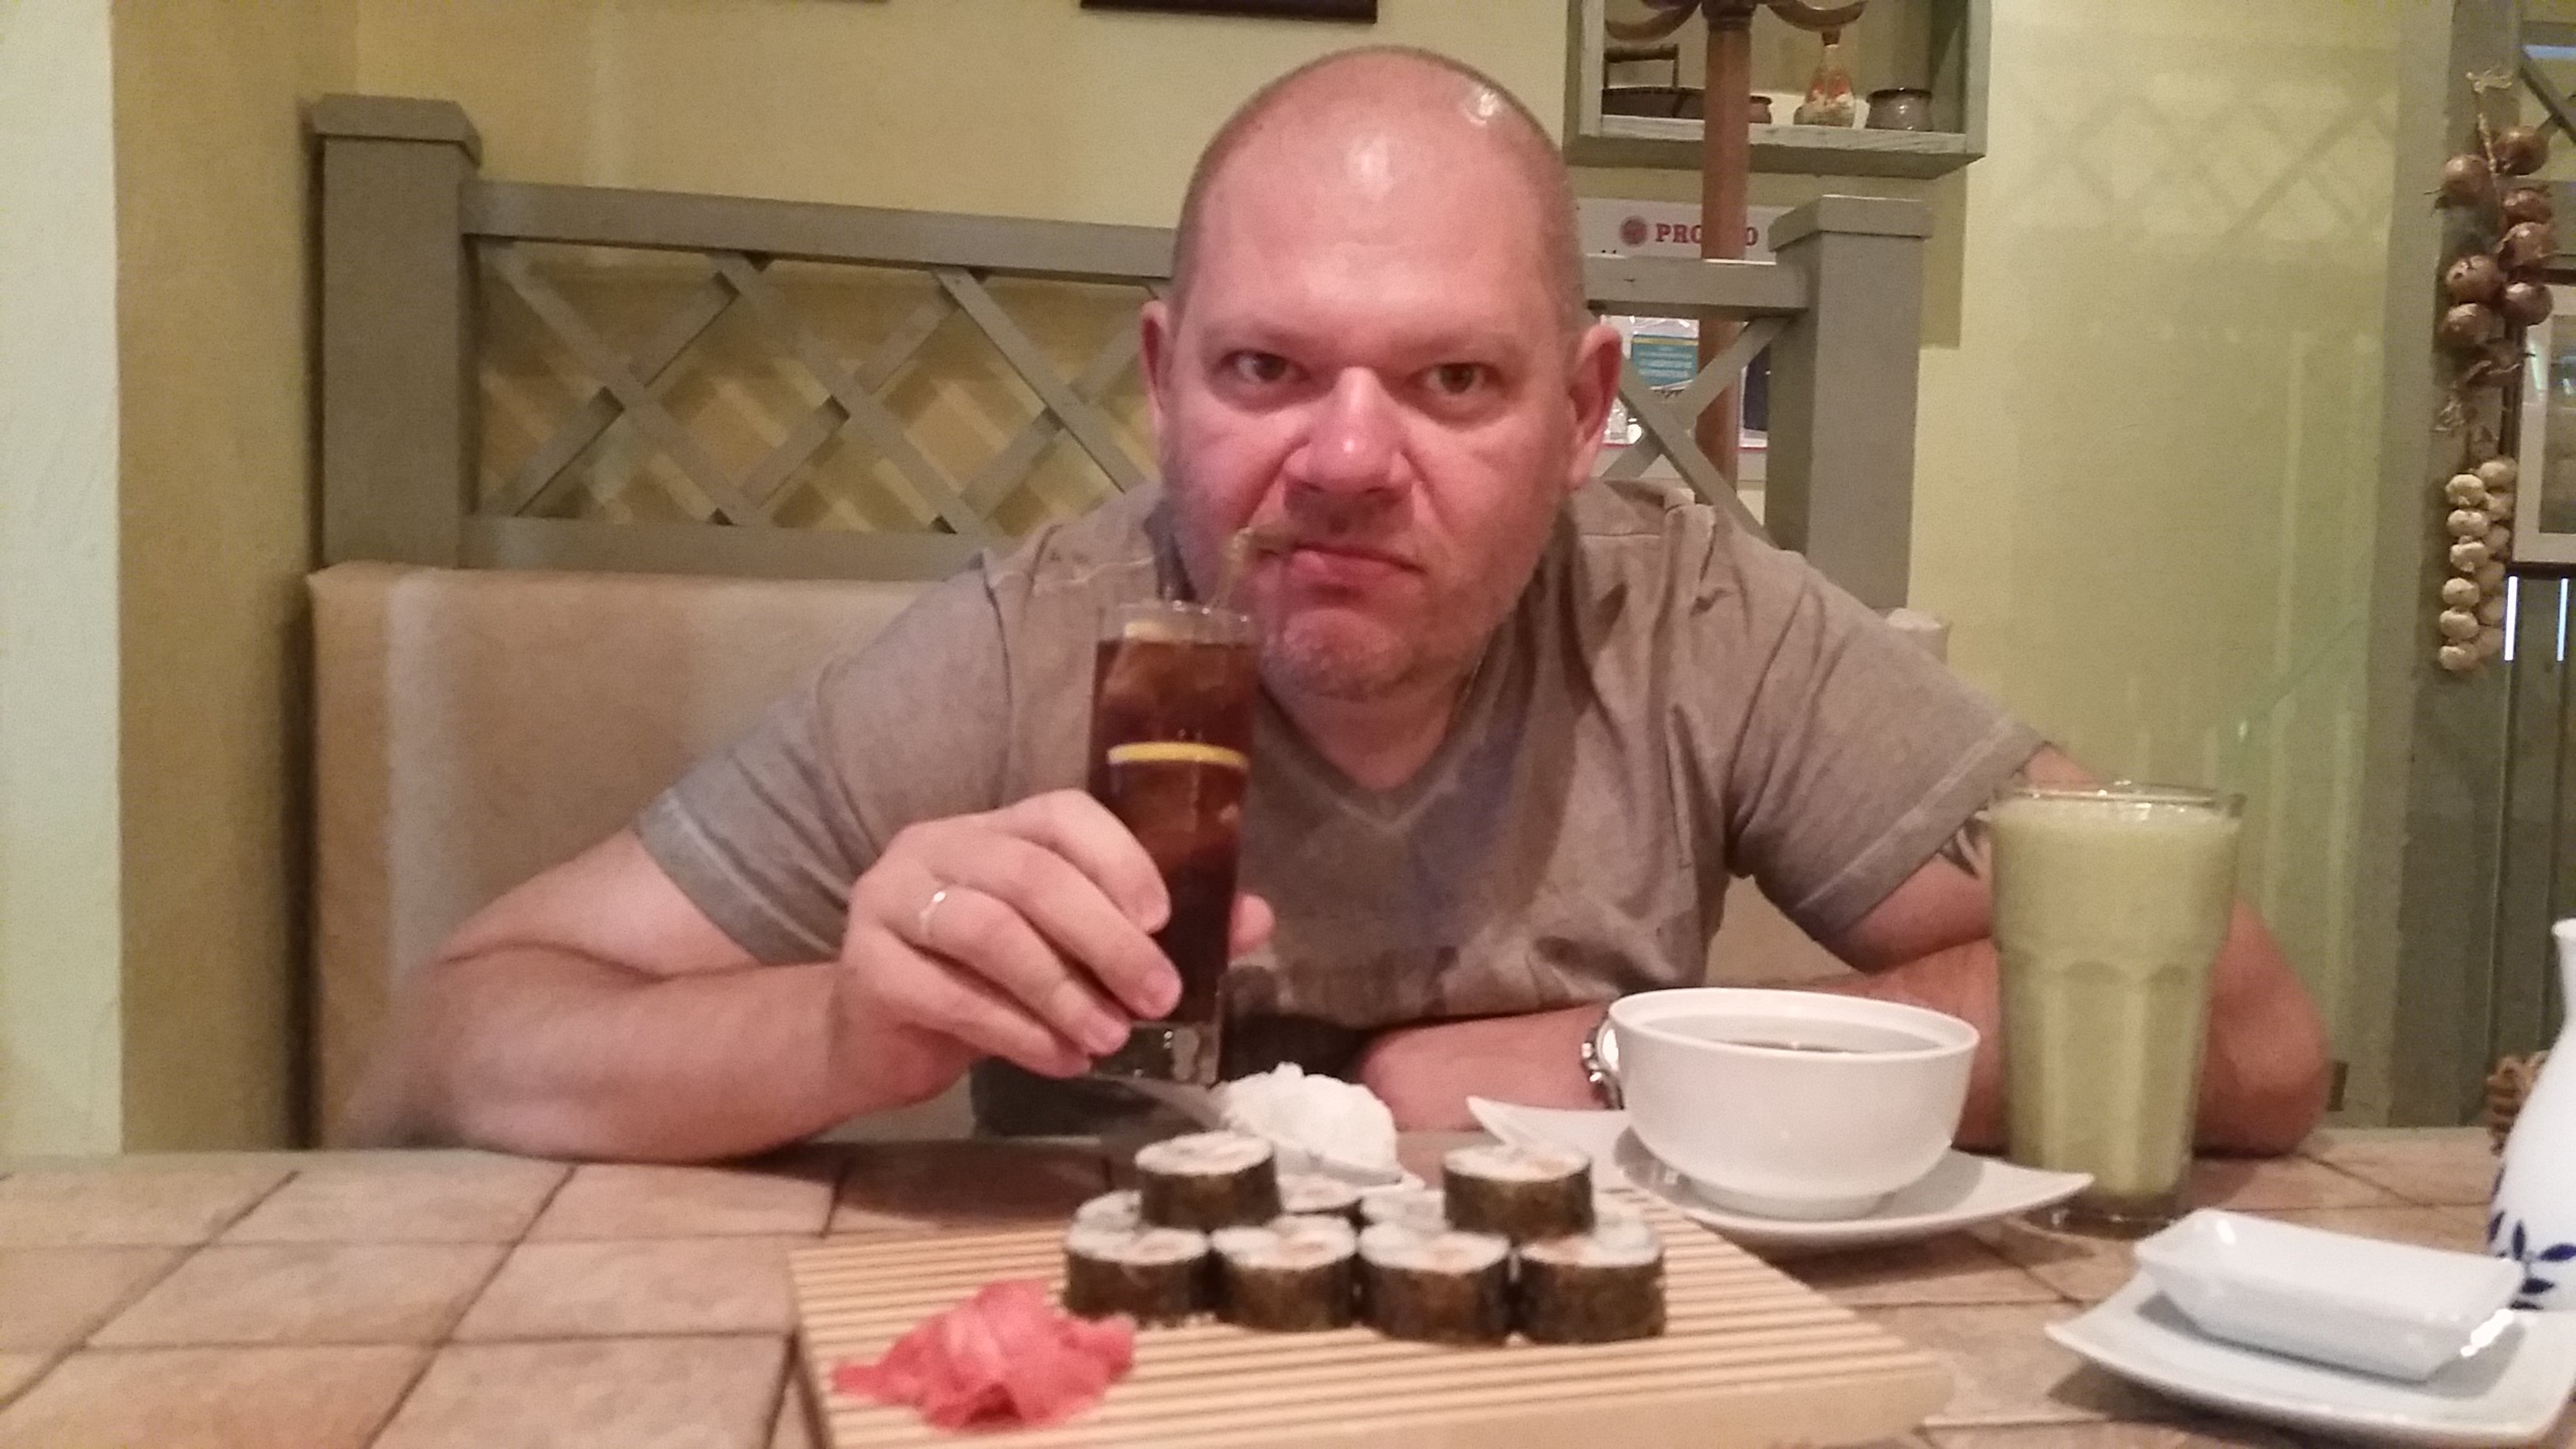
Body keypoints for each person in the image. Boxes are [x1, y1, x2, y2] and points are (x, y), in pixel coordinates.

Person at [347, 47, 2331, 1163]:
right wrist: (847, 1030)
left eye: (1453, 380)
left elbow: (2240, 1029)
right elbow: (448, 1041)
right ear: (1163, 384)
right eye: (1266, 370)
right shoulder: (1038, 642)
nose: (1349, 459)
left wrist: (1627, 1055)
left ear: (1581, 413)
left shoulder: (1696, 624)